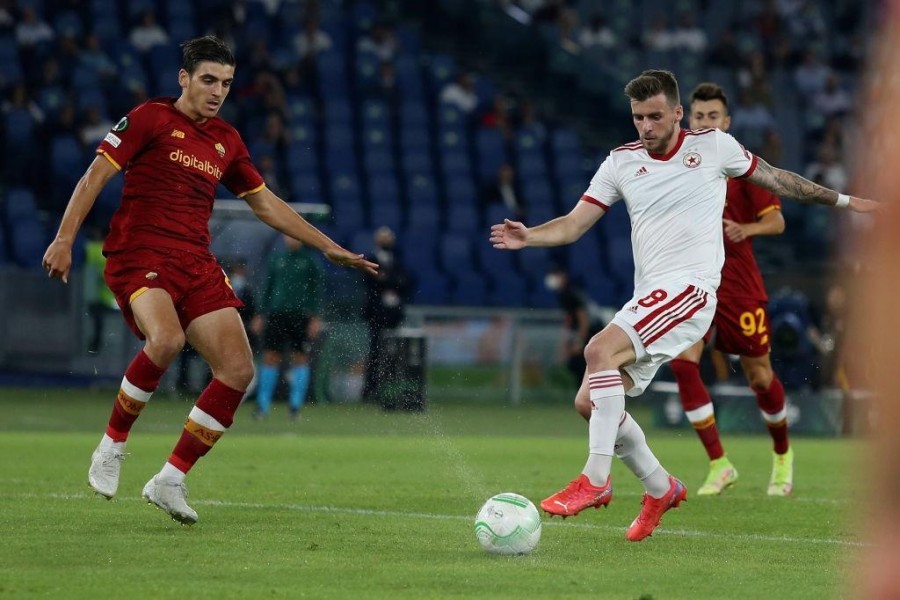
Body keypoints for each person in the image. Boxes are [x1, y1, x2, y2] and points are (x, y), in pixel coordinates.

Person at [489, 69, 875, 542]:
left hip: (692, 290)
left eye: (655, 116)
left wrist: (847, 201)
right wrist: (530, 236)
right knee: (590, 402)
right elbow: (573, 224)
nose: (646, 127)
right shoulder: (620, 163)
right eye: (637, 118)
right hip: (651, 294)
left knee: (597, 351)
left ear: (677, 113)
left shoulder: (714, 147)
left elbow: (779, 180)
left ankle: (594, 479)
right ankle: (660, 486)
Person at [41, 36, 377, 525]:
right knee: (167, 339)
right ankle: (112, 444)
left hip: (195, 262)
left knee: (239, 372)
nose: (217, 91)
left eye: (226, 83)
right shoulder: (150, 118)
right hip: (141, 253)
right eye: (208, 80)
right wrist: (64, 239)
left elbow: (265, 203)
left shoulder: (227, 141)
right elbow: (94, 177)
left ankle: (170, 479)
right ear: (184, 78)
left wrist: (326, 245)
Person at [666, 82, 792, 498]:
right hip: (695, 281)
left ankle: (782, 458)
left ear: (727, 122)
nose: (705, 123)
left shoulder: (743, 166)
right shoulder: (679, 166)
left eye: (713, 117)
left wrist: (747, 228)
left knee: (759, 376)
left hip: (738, 283)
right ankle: (719, 464)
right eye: (699, 116)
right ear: (689, 118)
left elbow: (777, 222)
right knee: (684, 363)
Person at [253, 235, 325, 420]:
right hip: (277, 315)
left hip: (301, 316)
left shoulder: (310, 261)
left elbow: (317, 290)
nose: (291, 239)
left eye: (294, 236)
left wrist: (316, 317)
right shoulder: (277, 259)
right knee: (270, 357)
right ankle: (262, 406)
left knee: (300, 358)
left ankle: (295, 407)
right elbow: (267, 288)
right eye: (287, 235)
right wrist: (261, 314)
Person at [361, 226, 410, 405]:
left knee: (394, 354)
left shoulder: (397, 260)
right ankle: (370, 391)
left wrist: (386, 280)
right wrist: (392, 281)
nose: (386, 241)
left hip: (394, 315)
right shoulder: (371, 259)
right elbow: (371, 284)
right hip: (376, 314)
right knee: (375, 352)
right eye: (382, 238)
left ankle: (392, 391)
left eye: (388, 237)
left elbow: (406, 281)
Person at [544, 265, 604, 387]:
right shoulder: (564, 294)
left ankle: (588, 395)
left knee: (580, 364)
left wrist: (579, 341)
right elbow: (570, 319)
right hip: (585, 332)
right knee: (576, 364)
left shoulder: (570, 294)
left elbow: (583, 319)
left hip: (591, 332)